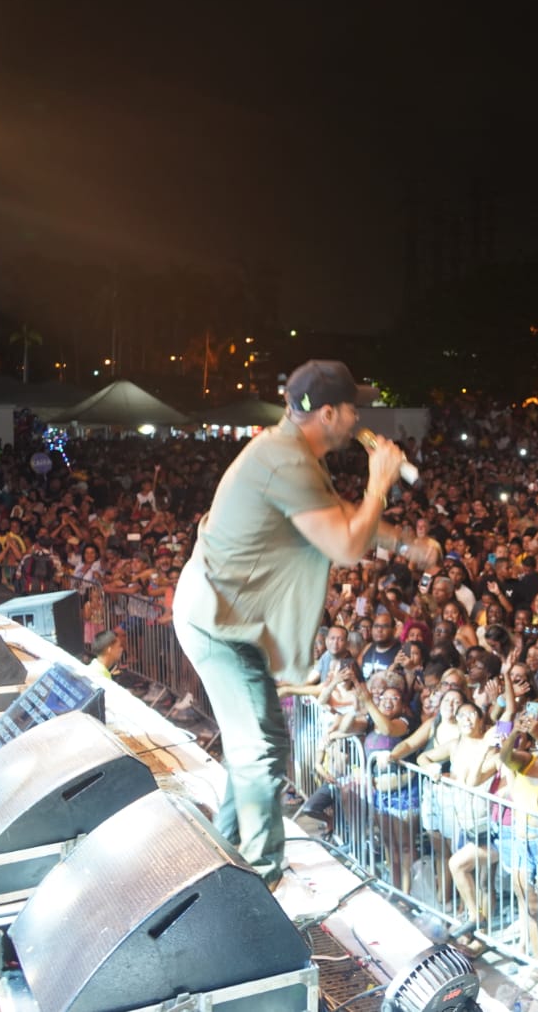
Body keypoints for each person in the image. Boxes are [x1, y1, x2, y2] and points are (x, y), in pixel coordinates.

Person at [172, 359, 401, 886]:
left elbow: (337, 519)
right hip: (216, 622)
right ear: (328, 413)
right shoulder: (286, 461)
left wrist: (402, 541)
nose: (358, 416)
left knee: (263, 743)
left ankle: (225, 859)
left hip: (231, 618)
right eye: (352, 408)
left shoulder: (293, 454)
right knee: (257, 748)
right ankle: (258, 879)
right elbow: (345, 544)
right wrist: (380, 482)